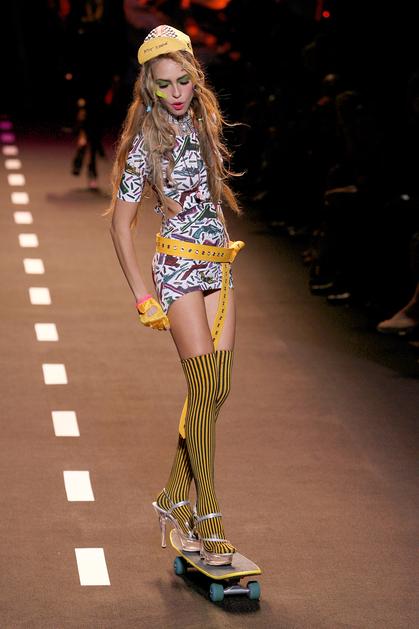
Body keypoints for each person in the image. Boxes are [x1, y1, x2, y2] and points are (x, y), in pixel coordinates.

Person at [107, 25, 245, 566]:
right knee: (204, 385)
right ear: (149, 86)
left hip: (218, 263)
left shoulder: (207, 121)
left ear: (195, 76)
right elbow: (120, 224)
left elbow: (212, 197)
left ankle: (171, 496)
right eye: (163, 85)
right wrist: (142, 294)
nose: (176, 93)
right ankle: (208, 517)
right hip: (179, 267)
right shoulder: (143, 143)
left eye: (183, 81)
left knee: (216, 390)